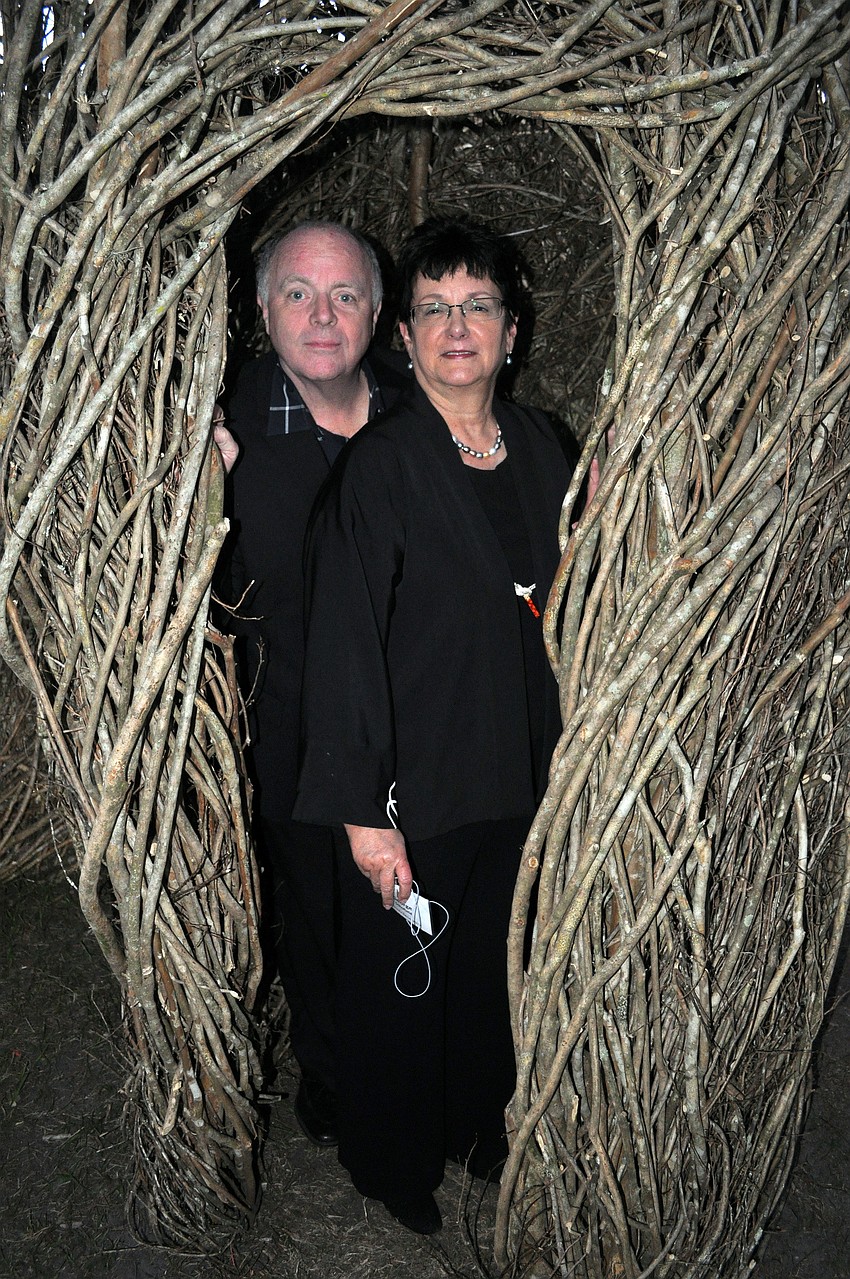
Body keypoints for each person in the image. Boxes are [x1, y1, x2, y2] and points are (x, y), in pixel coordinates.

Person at [294, 217, 574, 1234]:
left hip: (523, 769)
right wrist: (365, 817)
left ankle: (475, 1124)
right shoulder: (381, 466)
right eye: (434, 309)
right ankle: (392, 1156)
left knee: (492, 966)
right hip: (415, 780)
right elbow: (343, 643)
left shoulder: (546, 448)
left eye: (479, 306)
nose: (459, 327)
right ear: (404, 337)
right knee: (400, 982)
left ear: (512, 330)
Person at [224, 221, 408, 1148]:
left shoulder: (422, 410)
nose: (323, 316)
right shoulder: (227, 431)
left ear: (376, 311)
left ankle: (421, 1067)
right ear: (264, 311)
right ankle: (335, 1083)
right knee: (320, 912)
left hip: (415, 719)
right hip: (289, 729)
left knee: (412, 903)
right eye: (298, 293)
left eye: (345, 295)